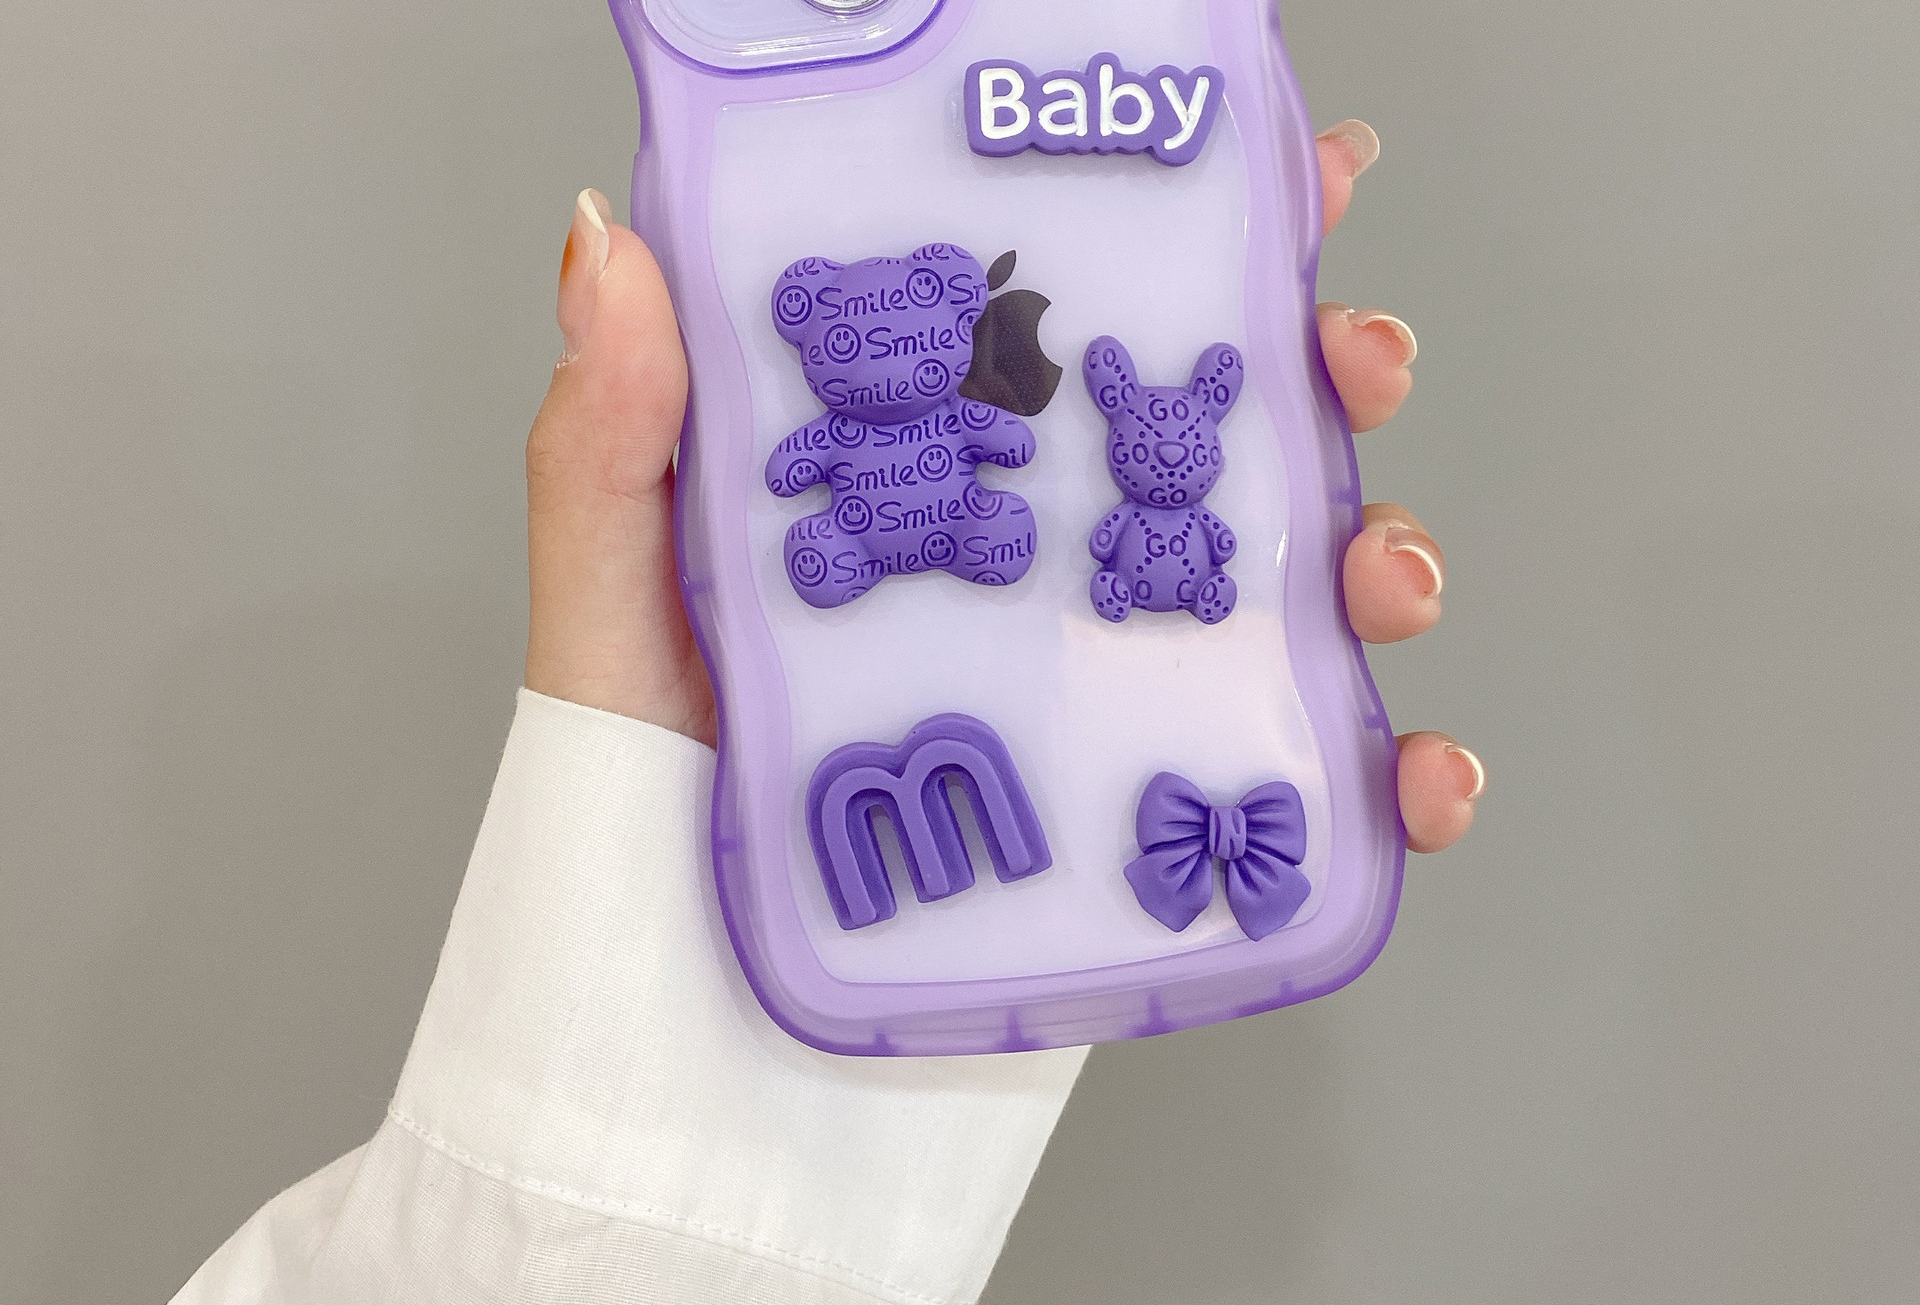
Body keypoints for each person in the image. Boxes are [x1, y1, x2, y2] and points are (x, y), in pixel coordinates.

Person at [176, 121, 1482, 1305]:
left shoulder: (984, 418)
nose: (893, 358)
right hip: (860, 592)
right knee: (898, 547)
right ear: (810, 331)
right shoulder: (852, 413)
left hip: (984, 580)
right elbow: (806, 453)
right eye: (857, 344)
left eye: (912, 338)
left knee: (1055, 529)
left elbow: (996, 442)